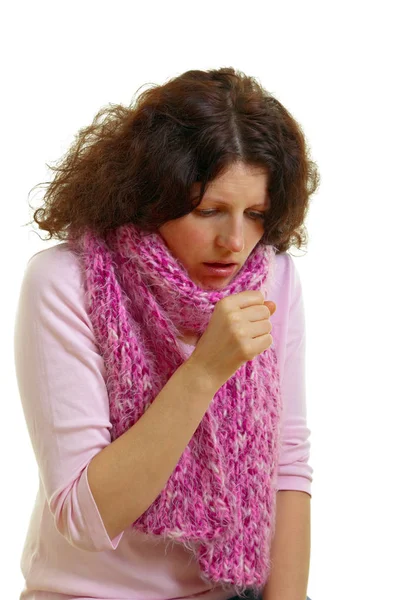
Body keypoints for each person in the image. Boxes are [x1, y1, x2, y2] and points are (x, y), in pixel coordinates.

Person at [14, 67, 319, 600]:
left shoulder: (272, 276)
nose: (235, 241)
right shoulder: (65, 281)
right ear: (154, 196)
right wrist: (203, 371)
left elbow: (286, 461)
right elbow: (87, 518)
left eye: (255, 214)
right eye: (210, 211)